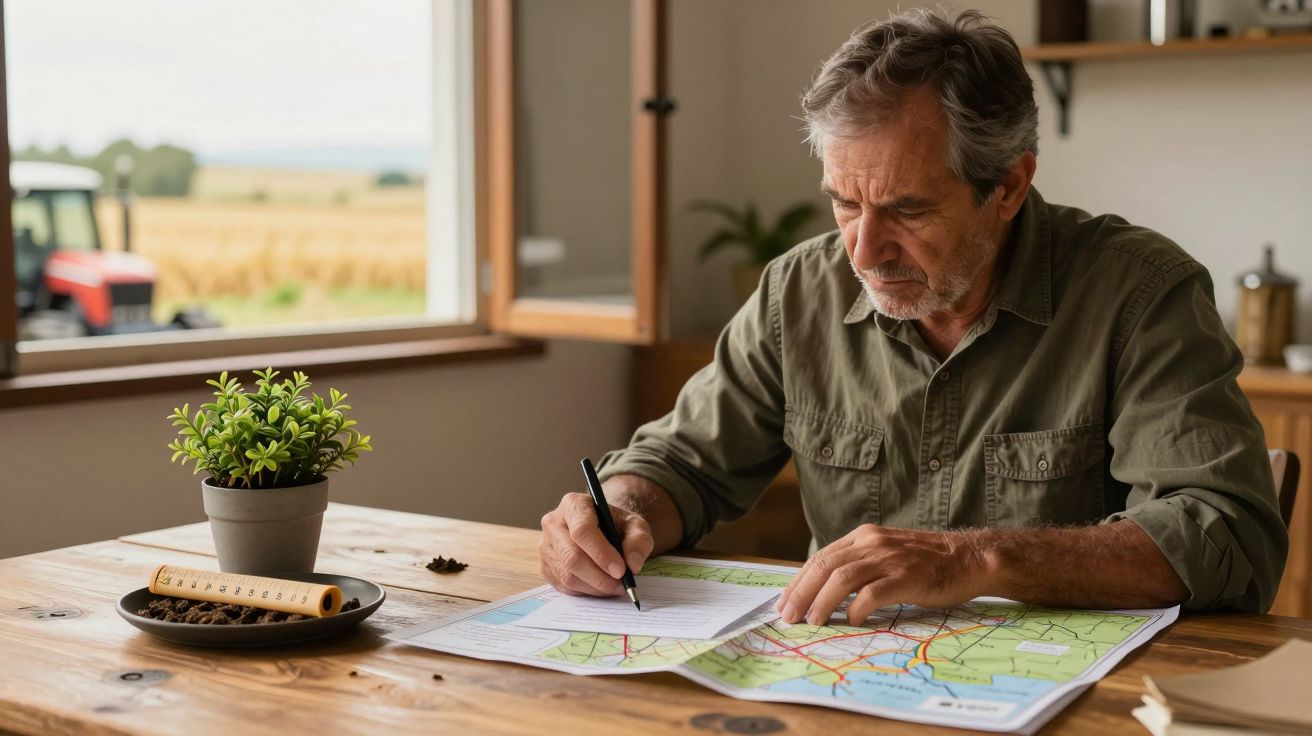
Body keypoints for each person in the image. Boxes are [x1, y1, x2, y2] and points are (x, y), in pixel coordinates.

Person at [537, 9, 1288, 622]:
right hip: (842, 677)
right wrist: (620, 511)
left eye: (907, 209)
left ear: (1009, 186)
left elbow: (1229, 534)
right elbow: (681, 465)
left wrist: (976, 559)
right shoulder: (797, 292)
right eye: (844, 203)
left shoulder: (1140, 294)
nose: (863, 251)